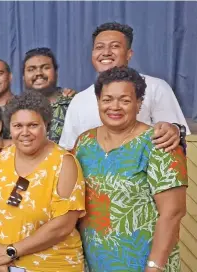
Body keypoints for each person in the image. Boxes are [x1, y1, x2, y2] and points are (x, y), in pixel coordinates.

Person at [74, 66, 187, 272]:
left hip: (145, 263)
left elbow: (173, 212)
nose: (114, 107)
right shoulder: (83, 143)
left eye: (124, 100)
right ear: (98, 101)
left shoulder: (159, 143)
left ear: (139, 103)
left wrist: (154, 266)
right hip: (94, 262)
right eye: (107, 99)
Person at [0, 91, 86, 271]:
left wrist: (10, 251)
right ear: (10, 127)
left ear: (46, 125)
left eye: (33, 125)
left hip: (51, 265)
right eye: (18, 125)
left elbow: (63, 225)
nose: (25, 132)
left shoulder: (64, 163)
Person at [60, 22, 189, 151]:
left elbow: (173, 134)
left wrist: (175, 129)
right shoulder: (79, 100)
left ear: (129, 54)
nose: (106, 52)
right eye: (99, 47)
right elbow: (69, 150)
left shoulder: (156, 87)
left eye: (115, 46)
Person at [22, 47, 76, 143]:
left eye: (45, 68)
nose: (38, 73)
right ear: (23, 76)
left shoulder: (73, 102)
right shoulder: (17, 107)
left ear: (56, 72)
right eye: (31, 69)